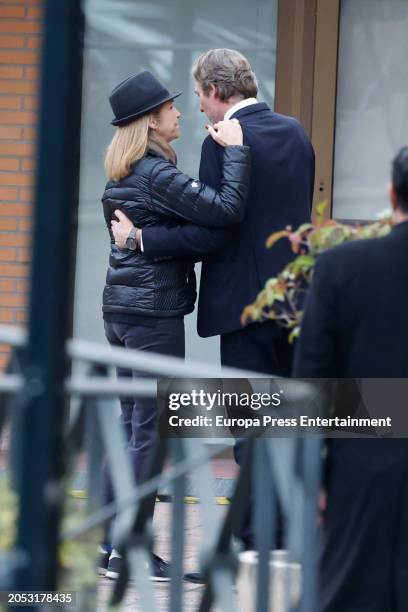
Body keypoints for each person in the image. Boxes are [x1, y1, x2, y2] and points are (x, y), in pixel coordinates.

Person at [111, 49, 315, 560]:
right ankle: (278, 533)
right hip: (291, 301)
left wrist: (144, 241)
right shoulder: (295, 133)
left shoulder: (221, 141)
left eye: (199, 94)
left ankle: (258, 537)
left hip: (241, 306)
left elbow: (217, 231)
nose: (197, 107)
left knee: (249, 426)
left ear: (217, 92)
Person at [100, 69, 251, 581]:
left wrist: (149, 238)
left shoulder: (122, 172)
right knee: (149, 431)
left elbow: (187, 224)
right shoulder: (155, 174)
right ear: (150, 121)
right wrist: (235, 151)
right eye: (169, 107)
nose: (179, 112)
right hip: (151, 317)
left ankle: (107, 544)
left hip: (121, 314)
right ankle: (131, 551)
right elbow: (225, 210)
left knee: (130, 428)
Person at [293, 146, 408, 611]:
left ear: (391, 194)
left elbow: (313, 383)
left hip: (363, 467)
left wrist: (316, 474)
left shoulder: (343, 268)